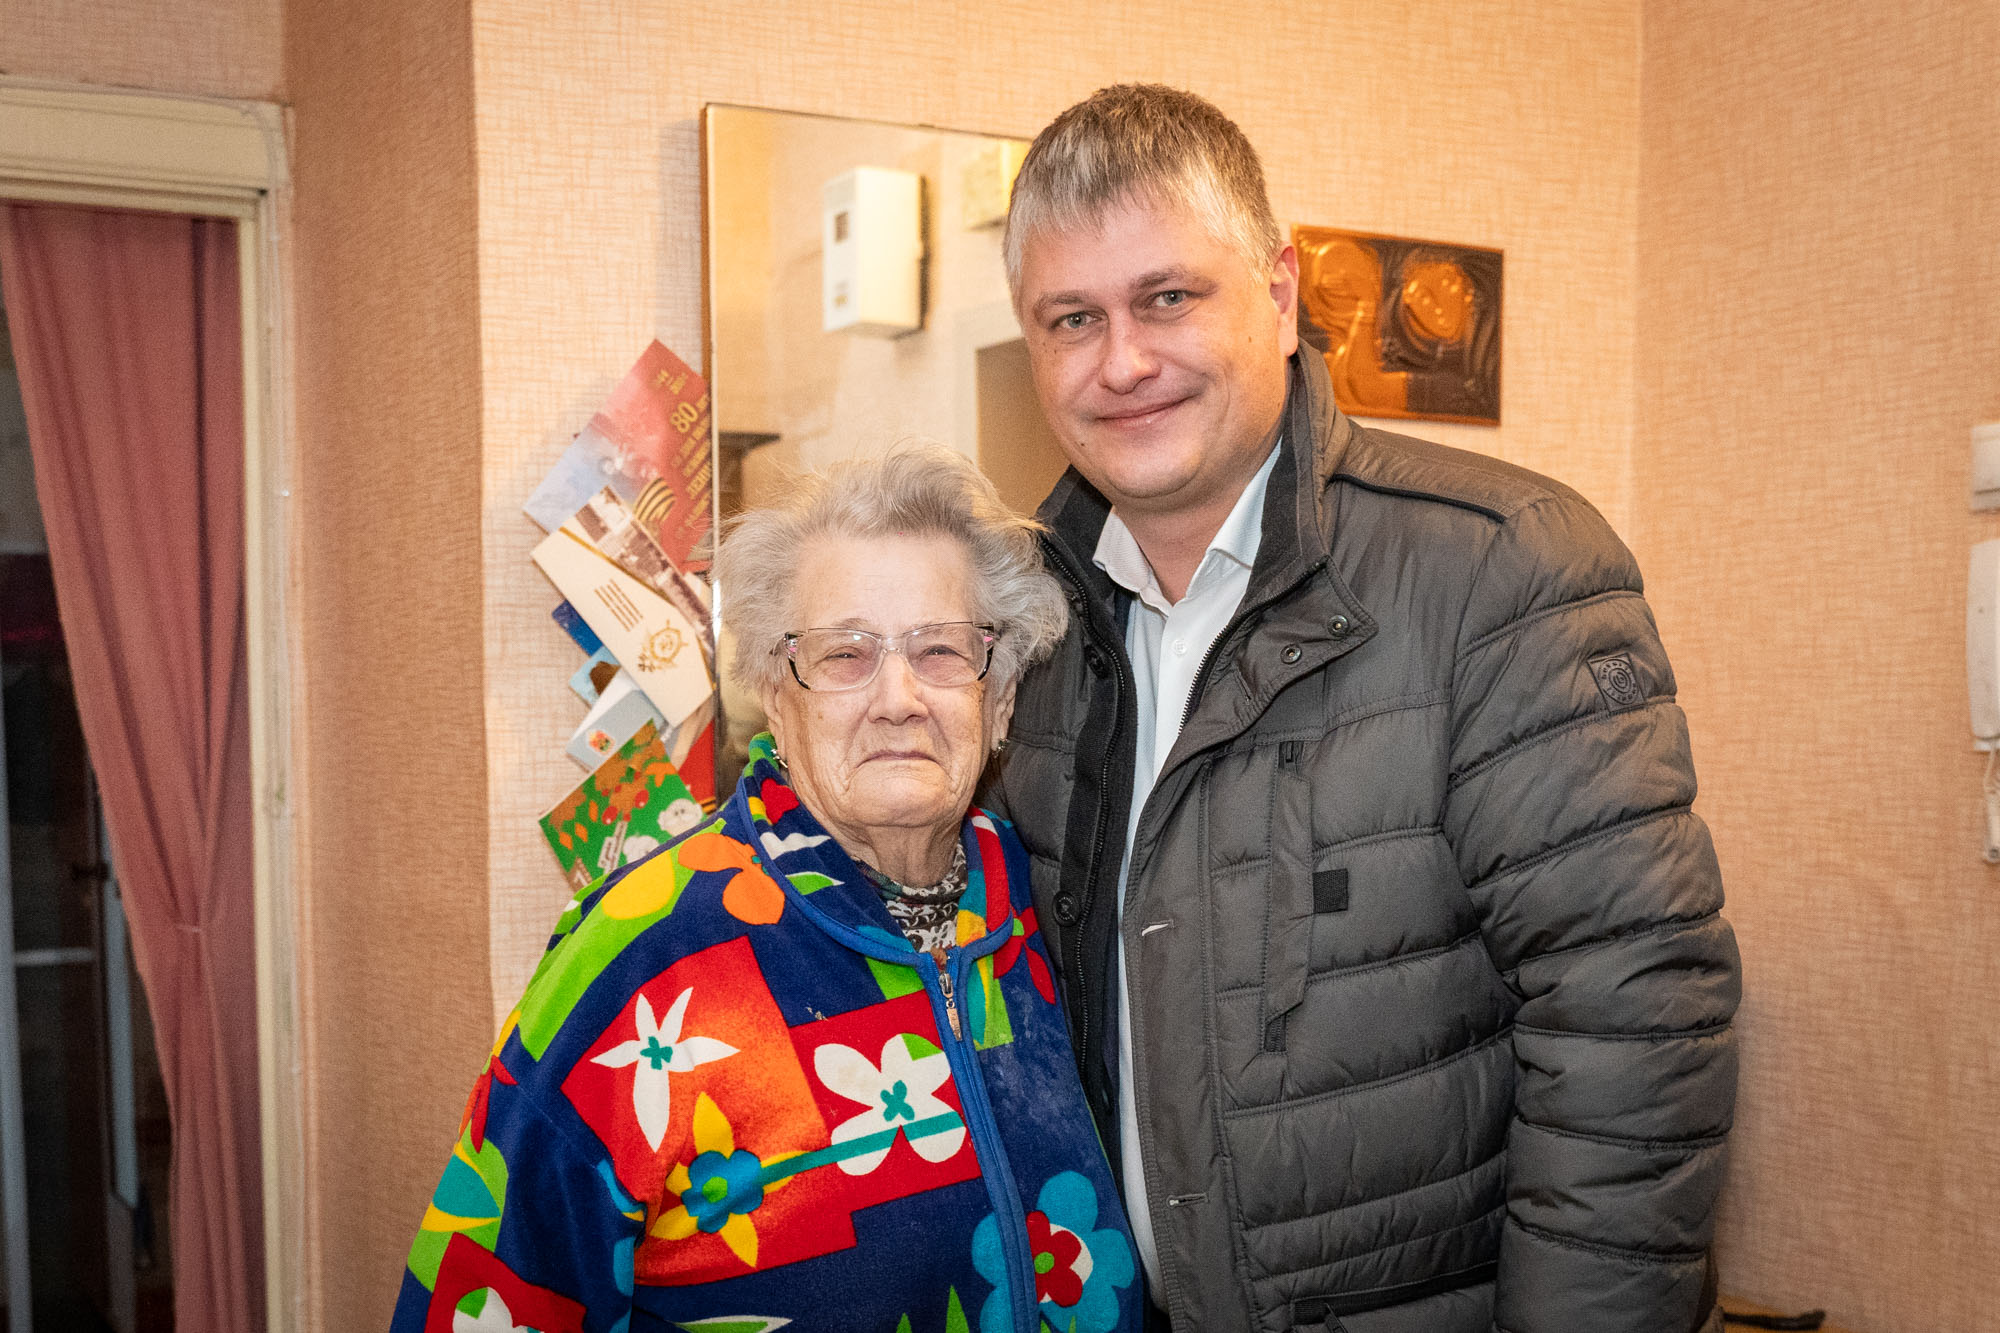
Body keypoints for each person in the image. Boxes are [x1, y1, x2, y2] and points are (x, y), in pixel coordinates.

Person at [986, 84, 1740, 1333]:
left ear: (1279, 296)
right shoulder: (1025, 621)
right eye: (1072, 318)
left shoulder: (1500, 568)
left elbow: (1635, 1019)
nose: (1121, 362)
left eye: (1167, 298)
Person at [392, 448, 1141, 1333]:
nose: (899, 696)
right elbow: (484, 1301)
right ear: (776, 699)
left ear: (1002, 698)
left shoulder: (1049, 909)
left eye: (940, 650)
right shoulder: (644, 956)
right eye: (845, 654)